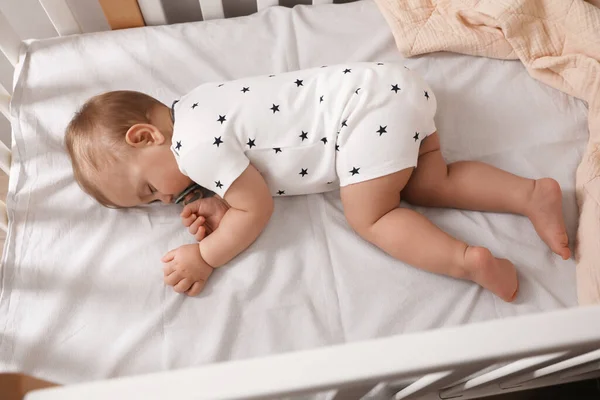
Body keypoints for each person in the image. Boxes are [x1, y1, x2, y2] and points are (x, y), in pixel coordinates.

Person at [65, 62, 570, 301]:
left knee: (370, 215)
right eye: (154, 203)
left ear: (145, 135)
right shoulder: (197, 103)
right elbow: (252, 170)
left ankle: (470, 262)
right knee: (427, 181)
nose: (167, 198)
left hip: (360, 117)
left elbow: (256, 208)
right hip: (390, 91)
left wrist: (206, 254)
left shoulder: (192, 147)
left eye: (150, 190)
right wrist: (218, 203)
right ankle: (530, 195)